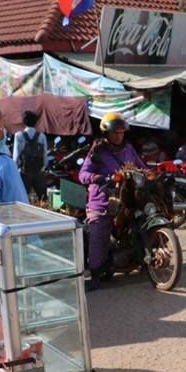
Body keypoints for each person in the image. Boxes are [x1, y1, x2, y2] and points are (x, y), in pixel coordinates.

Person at [78, 113, 147, 290]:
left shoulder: (129, 149)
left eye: (121, 132)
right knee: (99, 232)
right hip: (103, 200)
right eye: (115, 133)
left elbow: (141, 166)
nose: (118, 136)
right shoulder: (97, 151)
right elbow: (83, 174)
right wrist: (96, 177)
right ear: (106, 133)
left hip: (128, 197)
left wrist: (148, 173)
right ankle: (95, 274)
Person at [12, 110, 49, 201]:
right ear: (36, 122)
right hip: (38, 171)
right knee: (43, 199)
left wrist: (15, 170)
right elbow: (45, 156)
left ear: (24, 121)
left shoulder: (18, 136)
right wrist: (42, 168)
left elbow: (16, 156)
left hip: (24, 172)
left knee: (22, 199)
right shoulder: (42, 136)